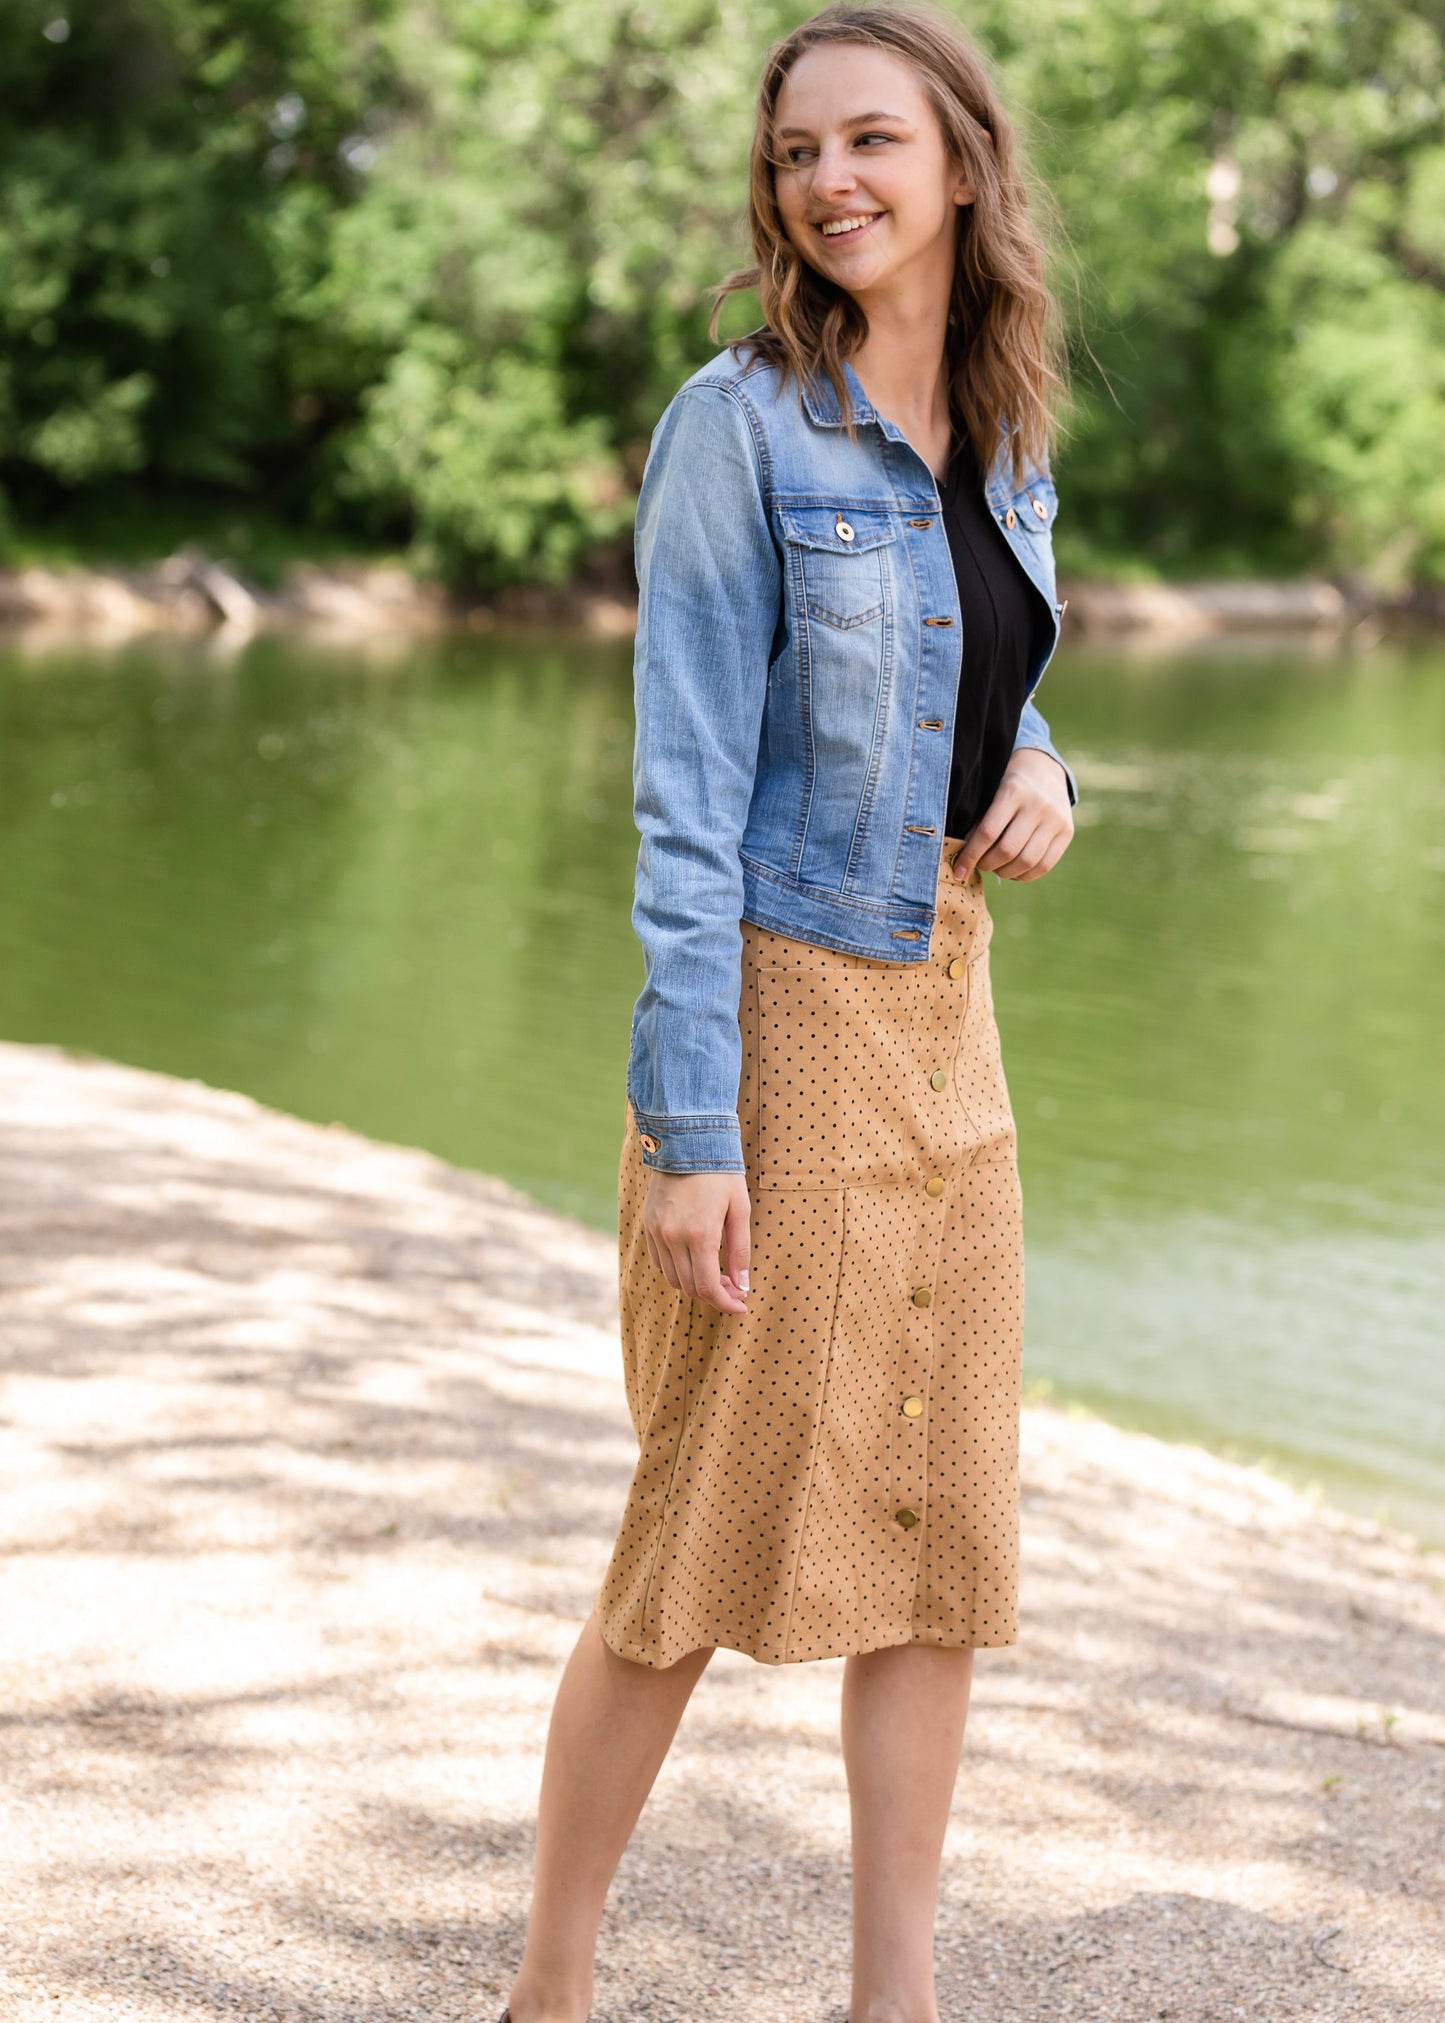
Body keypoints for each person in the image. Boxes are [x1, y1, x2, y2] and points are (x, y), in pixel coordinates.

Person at [502, 6, 1076, 2019]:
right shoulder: (733, 426)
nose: (833, 179)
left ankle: (889, 1998)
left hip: (951, 1011)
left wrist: (1053, 770)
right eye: (803, 151)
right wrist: (696, 1127)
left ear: (962, 166)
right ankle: (550, 1985)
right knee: (705, 1508)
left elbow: (978, 676)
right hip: (780, 1004)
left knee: (941, 1520)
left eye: (873, 142)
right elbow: (681, 797)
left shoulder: (1006, 427)